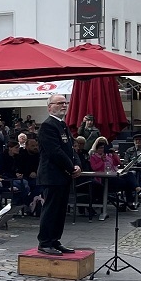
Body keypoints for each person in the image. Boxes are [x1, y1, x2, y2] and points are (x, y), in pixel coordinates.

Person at [36, 94, 80, 256]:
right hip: (52, 175)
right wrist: (71, 167)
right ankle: (45, 242)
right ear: (49, 107)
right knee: (51, 209)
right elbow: (55, 152)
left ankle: (55, 240)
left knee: (61, 210)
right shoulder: (48, 126)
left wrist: (77, 165)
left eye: (65, 102)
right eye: (59, 103)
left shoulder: (62, 125)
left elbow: (71, 148)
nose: (64, 105)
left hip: (63, 175)